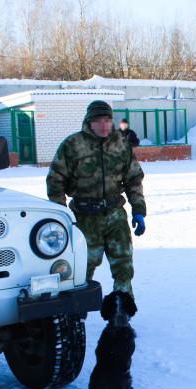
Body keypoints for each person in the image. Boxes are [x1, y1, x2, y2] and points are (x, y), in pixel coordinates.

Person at [46, 100, 146, 296]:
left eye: (107, 120)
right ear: (89, 121)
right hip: (84, 218)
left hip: (115, 216)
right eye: (98, 120)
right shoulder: (73, 145)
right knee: (83, 269)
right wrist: (62, 216)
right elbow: (55, 181)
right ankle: (77, 314)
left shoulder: (121, 145)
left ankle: (122, 312)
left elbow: (134, 179)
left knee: (124, 266)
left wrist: (139, 210)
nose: (103, 125)